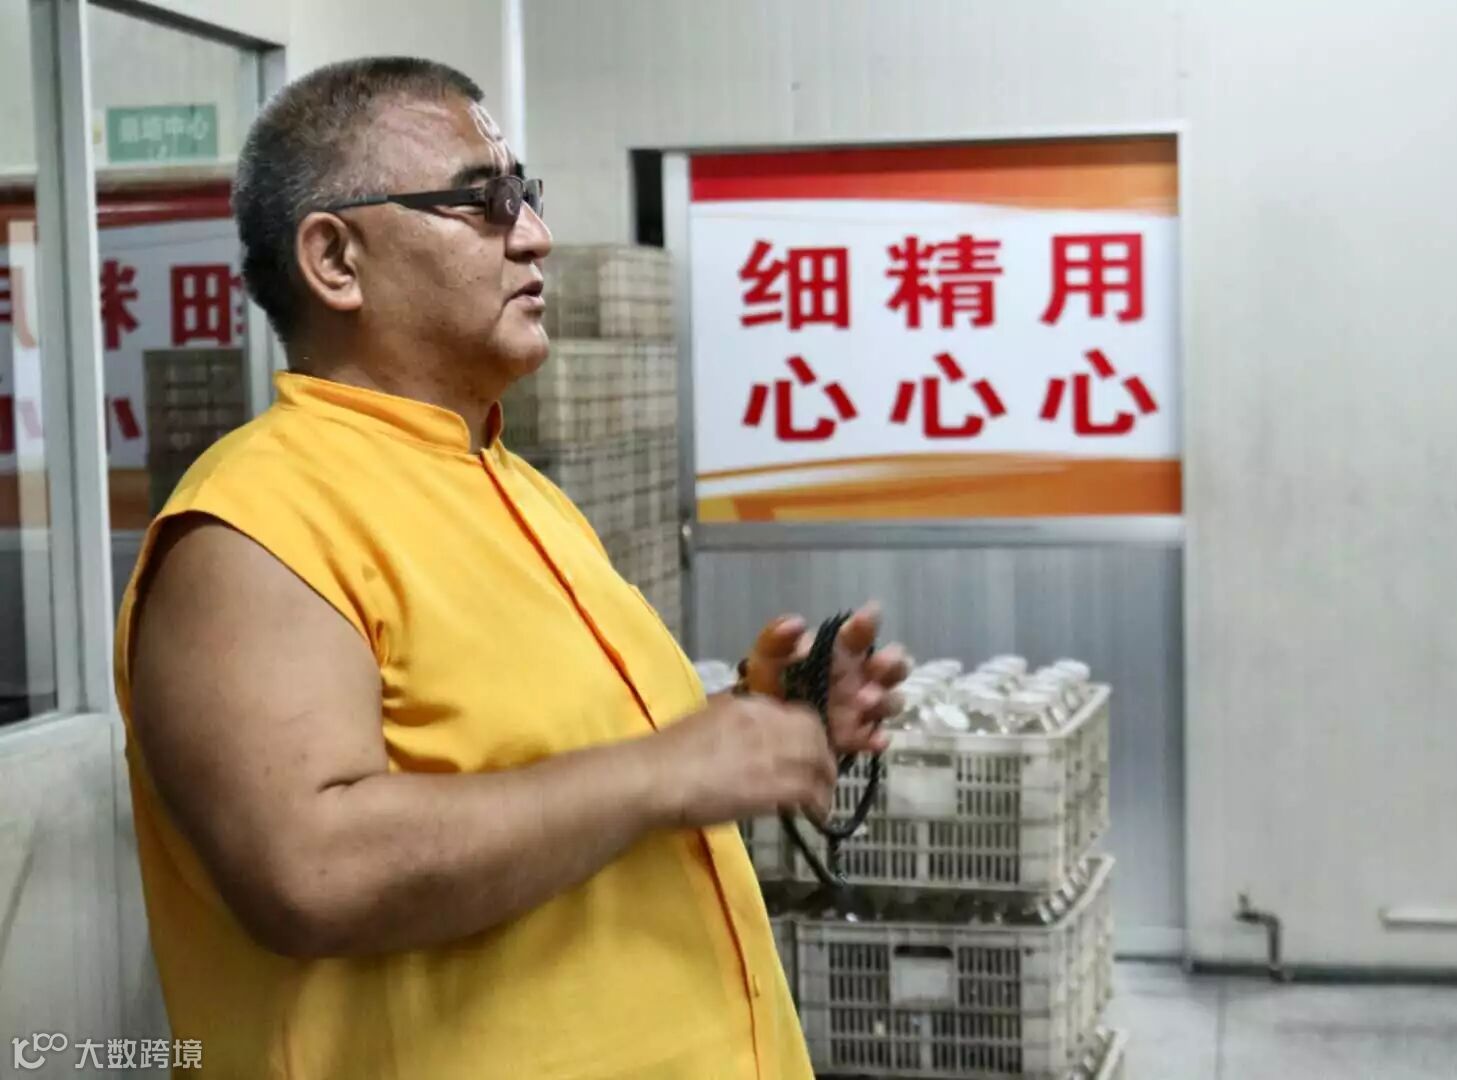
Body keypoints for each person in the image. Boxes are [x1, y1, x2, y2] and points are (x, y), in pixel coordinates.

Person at [115, 57, 907, 1079]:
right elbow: (310, 871)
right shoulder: (252, 526)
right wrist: (669, 770)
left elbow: (555, 768)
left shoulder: (512, 487)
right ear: (336, 260)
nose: (533, 235)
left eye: (525, 195)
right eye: (481, 202)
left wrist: (756, 723)